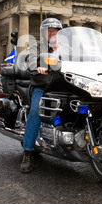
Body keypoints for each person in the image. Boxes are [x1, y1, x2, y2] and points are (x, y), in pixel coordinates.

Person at [21, 17, 63, 173]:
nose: (52, 33)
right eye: (49, 30)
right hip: (42, 85)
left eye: (55, 31)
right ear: (43, 32)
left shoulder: (64, 48)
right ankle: (28, 152)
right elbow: (32, 62)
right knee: (35, 111)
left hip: (62, 86)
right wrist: (38, 67)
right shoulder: (36, 47)